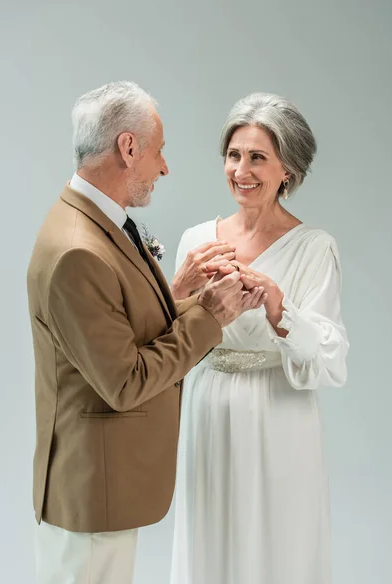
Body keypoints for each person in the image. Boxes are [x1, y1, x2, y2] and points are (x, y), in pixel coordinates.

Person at [27, 81, 266, 584]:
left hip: (100, 488)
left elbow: (115, 327)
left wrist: (176, 294)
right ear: (128, 148)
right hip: (91, 497)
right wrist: (209, 316)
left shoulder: (97, 222)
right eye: (159, 151)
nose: (164, 167)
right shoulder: (78, 250)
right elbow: (125, 381)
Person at [170, 92, 349, 584]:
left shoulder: (314, 248)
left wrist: (278, 305)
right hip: (207, 407)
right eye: (233, 155)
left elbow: (329, 356)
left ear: (287, 168)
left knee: (276, 539)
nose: (241, 170)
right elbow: (167, 339)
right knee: (209, 532)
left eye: (257, 157)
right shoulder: (196, 241)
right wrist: (182, 291)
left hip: (278, 413)